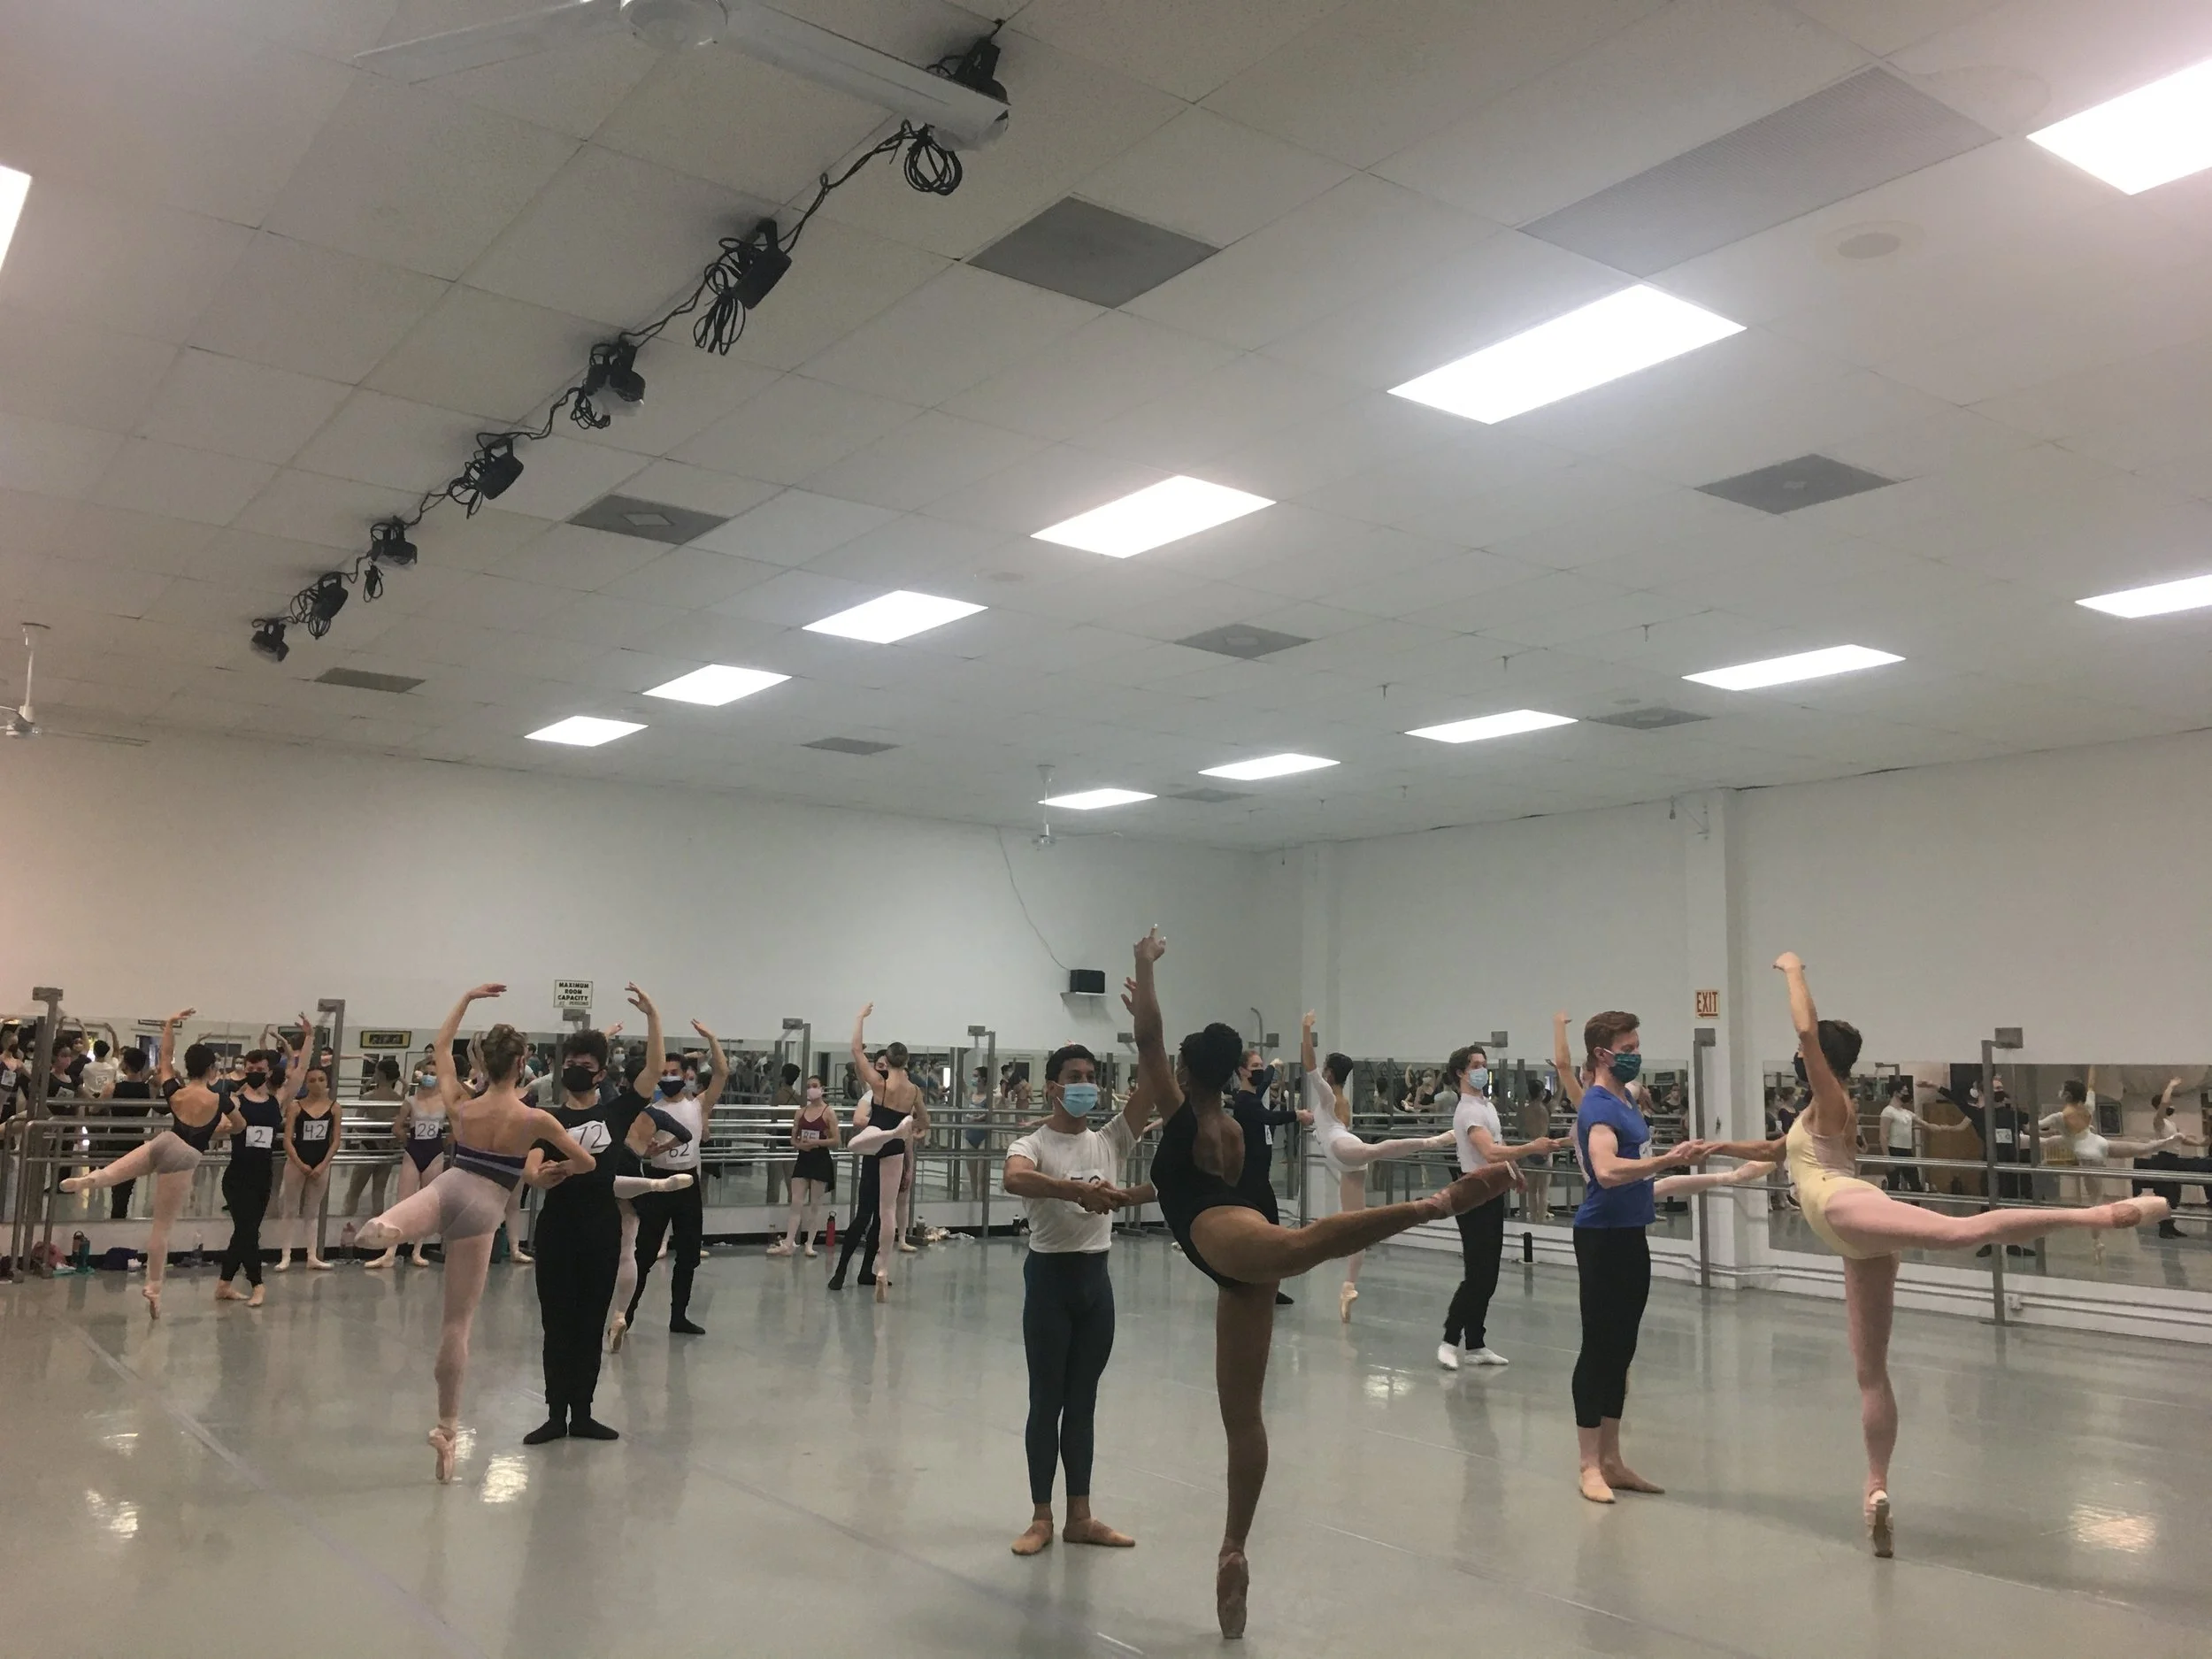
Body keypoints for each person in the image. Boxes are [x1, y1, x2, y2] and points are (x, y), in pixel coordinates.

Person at [1693, 956, 2169, 1556]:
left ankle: (2100, 1215)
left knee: (1955, 1233)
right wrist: (1714, 1146)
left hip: (1841, 1206)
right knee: (1869, 1372)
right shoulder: (1813, 1112)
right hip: (1850, 1235)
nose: (1798, 1054)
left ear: (1819, 1061)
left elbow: (1807, 1030)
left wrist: (1793, 970)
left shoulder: (1832, 1096)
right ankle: (1876, 1488)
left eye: (1804, 1054)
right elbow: (1774, 1149)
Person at [1129, 929, 1514, 1639]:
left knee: (1299, 1250)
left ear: (1184, 1071)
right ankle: (1233, 1544)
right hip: (1244, 1251)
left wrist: (1144, 965)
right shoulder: (1242, 1115)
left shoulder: (1188, 1117)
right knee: (1244, 1415)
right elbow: (1162, 1053)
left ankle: (1431, 1205)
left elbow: (1147, 1036)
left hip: (1223, 1234)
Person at [342, 984, 598, 1483]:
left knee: (416, 1208)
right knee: (456, 1325)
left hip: (450, 1185)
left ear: (482, 1061)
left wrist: (467, 1000)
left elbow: (441, 1046)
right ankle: (447, 1426)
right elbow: (587, 1162)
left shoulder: (461, 1104)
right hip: (485, 1209)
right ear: (523, 1063)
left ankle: (390, 1227)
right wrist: (553, 1172)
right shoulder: (535, 1118)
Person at [1002, 1042, 1156, 1557]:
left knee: (1083, 1401)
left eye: (1091, 1075)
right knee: (1047, 1400)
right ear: (1053, 1087)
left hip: (1096, 1284)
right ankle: (1041, 1516)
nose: (1085, 1084)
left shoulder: (1110, 1139)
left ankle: (1081, 1516)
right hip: (1050, 1283)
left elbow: (1152, 1085)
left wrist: (1147, 1026)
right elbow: (1014, 1178)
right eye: (1074, 1076)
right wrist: (1075, 1191)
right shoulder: (1032, 1143)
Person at [1555, 1010, 1713, 1505]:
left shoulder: (1626, 1100)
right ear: (1601, 1054)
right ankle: (1588, 1464)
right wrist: (1667, 1159)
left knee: (1622, 1350)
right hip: (1601, 1237)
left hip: (1631, 1235)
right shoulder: (1598, 1106)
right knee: (1598, 1349)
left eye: (1636, 1047)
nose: (1635, 1055)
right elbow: (1605, 1170)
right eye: (1627, 1049)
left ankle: (1612, 1459)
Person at [524, 995, 695, 1445]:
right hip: (557, 1230)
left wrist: (654, 1017)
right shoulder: (550, 1119)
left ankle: (582, 1413)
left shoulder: (615, 1112)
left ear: (600, 1074)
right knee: (556, 1325)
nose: (576, 1070)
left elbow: (653, 1070)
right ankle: (554, 1414)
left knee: (589, 1323)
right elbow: (532, 1165)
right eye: (570, 1064)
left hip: (600, 1229)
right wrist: (539, 1176)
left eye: (585, 1065)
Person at [60, 1009, 228, 1318]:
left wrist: (169, 1025)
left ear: (188, 1067)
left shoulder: (174, 1090)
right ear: (212, 1069)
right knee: (161, 1228)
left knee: (114, 1173)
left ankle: (91, 1180)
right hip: (185, 1155)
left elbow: (165, 1058)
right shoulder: (220, 1099)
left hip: (164, 1140)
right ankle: (154, 1286)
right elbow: (238, 1125)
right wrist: (221, 1128)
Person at [1293, 1012, 1455, 1324]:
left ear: (1329, 1072)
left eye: (1324, 1068)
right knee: (1357, 1226)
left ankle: (1432, 1141)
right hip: (1345, 1157)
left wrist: (1305, 1029)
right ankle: (1348, 1286)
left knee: (1376, 1150)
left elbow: (1308, 1063)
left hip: (1341, 1148)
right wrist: (1310, 1118)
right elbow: (1326, 1120)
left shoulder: (1327, 1093)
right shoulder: (1337, 1099)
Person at [1436, 1043, 1563, 1369]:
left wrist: (1515, 1173)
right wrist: (1531, 1147)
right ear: (1461, 1073)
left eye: (1484, 1063)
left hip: (1492, 1193)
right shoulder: (1468, 1111)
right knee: (1477, 1275)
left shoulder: (1486, 1106)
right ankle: (1450, 1340)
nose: (1482, 1069)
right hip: (1473, 1195)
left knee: (1488, 1275)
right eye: (1476, 1065)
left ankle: (1475, 1344)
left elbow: (1499, 1144)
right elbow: (1490, 1152)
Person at [620, 1018, 727, 1338]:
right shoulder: (650, 1109)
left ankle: (679, 1315)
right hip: (657, 1183)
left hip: (688, 1184)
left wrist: (712, 1039)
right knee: (644, 1253)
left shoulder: (698, 1106)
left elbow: (722, 1073)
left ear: (685, 1076)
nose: (668, 1077)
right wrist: (649, 1150)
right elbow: (634, 1147)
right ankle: (626, 1314)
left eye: (674, 1072)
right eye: (664, 1072)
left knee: (689, 1254)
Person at [833, 1009, 922, 1302]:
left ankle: (867, 1270)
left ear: (889, 1063)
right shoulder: (906, 1091)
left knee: (878, 1213)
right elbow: (923, 1122)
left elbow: (856, 1050)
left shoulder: (884, 1087)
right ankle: (867, 1269)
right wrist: (913, 1131)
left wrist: (860, 1018)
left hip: (882, 1146)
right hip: (889, 1147)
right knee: (880, 1213)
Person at [213, 1044, 292, 1305]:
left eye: (260, 1069)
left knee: (245, 1231)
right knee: (248, 1232)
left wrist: (306, 1040)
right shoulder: (236, 1101)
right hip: (238, 1176)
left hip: (263, 1176)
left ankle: (224, 1284)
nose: (255, 1072)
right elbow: (219, 1125)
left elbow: (299, 1072)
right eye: (250, 1069)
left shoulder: (276, 1101)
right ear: (245, 1071)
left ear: (268, 1072)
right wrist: (224, 1128)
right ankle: (258, 1284)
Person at [1228, 1047, 1302, 1306]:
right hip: (1251, 1181)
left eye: (1260, 1066)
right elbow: (1268, 1116)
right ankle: (1260, 1285)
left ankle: (1265, 1286)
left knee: (1266, 1233)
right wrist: (1297, 1115)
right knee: (1268, 1233)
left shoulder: (1251, 1097)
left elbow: (1261, 1088)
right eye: (1255, 1067)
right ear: (1242, 1071)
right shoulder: (1244, 1103)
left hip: (1259, 1179)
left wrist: (1272, 1067)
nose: (1259, 1071)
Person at [368, 1064, 451, 1269]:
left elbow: (458, 1129)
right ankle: (391, 1251)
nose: (429, 1077)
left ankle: (417, 1250)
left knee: (426, 1203)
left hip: (434, 1153)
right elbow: (397, 1126)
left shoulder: (445, 1102)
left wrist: (443, 1144)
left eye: (433, 1074)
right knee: (402, 1202)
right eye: (427, 1073)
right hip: (413, 1151)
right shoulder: (411, 1101)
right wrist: (406, 1141)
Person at [273, 1027, 341, 1271]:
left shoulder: (334, 1108)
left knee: (312, 1212)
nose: (317, 1084)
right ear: (306, 1083)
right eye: (312, 1080)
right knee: (290, 1209)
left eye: (321, 1080)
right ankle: (286, 1255)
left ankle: (312, 1255)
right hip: (297, 1161)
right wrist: (300, 1163)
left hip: (321, 1163)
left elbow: (335, 1140)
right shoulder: (296, 1107)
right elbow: (288, 1139)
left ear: (327, 1082)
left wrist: (323, 1165)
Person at [769, 1076, 839, 1257]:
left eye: (814, 1086)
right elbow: (793, 1139)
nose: (811, 1089)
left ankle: (810, 1244)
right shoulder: (800, 1113)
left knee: (815, 1205)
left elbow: (836, 1140)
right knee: (796, 1202)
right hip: (803, 1158)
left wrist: (817, 1142)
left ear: (822, 1089)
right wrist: (800, 1145)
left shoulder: (829, 1112)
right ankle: (789, 1242)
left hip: (820, 1159)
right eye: (808, 1086)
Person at [2133, 1079, 2210, 1239]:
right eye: (2170, 1103)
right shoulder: (2159, 1122)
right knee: (2165, 1195)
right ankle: (2164, 1228)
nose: (2172, 1106)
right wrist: (2171, 1086)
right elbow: (2164, 1103)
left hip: (2172, 1159)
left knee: (2174, 1195)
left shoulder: (2171, 1124)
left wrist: (2201, 1143)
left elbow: (2181, 1139)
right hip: (2163, 1160)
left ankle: (2170, 1226)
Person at [342, 1056, 405, 1224]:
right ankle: (378, 1224)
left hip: (369, 1145)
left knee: (354, 1190)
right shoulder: (398, 1099)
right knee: (379, 1190)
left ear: (379, 1074)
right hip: (388, 1146)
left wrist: (373, 1141)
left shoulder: (368, 1097)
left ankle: (345, 1222)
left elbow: (358, 1123)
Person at [1878, 1079, 1944, 1194]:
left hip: (1907, 1151)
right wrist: (1888, 1158)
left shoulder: (1907, 1113)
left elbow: (1925, 1124)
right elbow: (1883, 1136)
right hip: (1894, 1150)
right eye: (1904, 1091)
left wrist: (1940, 1127)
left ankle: (1916, 1204)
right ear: (1896, 1093)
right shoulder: (1887, 1112)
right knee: (1893, 1185)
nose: (1907, 1094)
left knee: (1915, 1184)